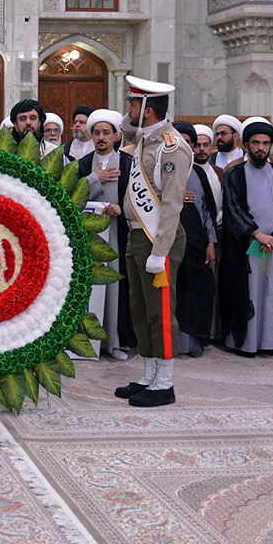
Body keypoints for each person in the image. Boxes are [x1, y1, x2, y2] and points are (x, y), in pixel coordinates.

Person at [112, 76, 190, 407]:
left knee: (160, 311)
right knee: (140, 309)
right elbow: (124, 129)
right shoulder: (147, 138)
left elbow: (171, 205)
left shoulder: (172, 147)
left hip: (158, 238)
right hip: (137, 233)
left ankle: (165, 383)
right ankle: (149, 375)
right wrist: (131, 117)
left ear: (147, 109)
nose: (128, 109)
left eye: (132, 104)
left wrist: (160, 251)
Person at [219, 120, 273, 357]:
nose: (261, 148)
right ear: (246, 145)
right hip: (248, 244)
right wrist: (257, 234)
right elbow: (233, 209)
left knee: (271, 292)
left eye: (265, 143)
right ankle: (247, 343)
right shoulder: (235, 174)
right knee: (249, 291)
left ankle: (270, 342)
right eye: (256, 143)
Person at [78, 108, 134, 358]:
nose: (101, 138)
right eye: (97, 133)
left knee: (116, 287)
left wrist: (122, 208)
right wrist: (94, 178)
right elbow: (72, 197)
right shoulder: (82, 164)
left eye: (106, 133)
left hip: (118, 234)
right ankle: (87, 343)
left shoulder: (128, 164)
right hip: (89, 237)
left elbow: (137, 198)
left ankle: (116, 342)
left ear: (116, 136)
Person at [172, 121, 218, 358]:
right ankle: (174, 343)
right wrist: (174, 196)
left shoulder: (198, 172)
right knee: (175, 294)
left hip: (197, 243)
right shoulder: (161, 171)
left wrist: (211, 242)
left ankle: (193, 341)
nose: (183, 146)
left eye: (187, 142)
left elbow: (207, 211)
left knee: (197, 292)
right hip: (170, 243)